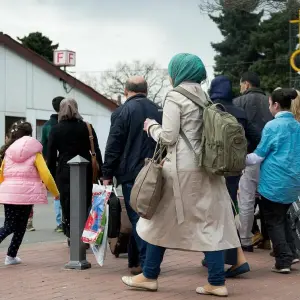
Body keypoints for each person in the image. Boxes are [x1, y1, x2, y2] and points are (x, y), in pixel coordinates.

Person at [121, 54, 240, 297]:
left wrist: (150, 127)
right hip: (209, 167)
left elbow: (169, 137)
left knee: (157, 221)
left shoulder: (175, 95)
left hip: (181, 170)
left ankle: (149, 275)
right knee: (210, 224)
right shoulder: (203, 96)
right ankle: (216, 282)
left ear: (178, 71)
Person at [102, 76, 162, 274]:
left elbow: (114, 143)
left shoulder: (122, 112)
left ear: (126, 91)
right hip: (157, 172)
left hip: (131, 174)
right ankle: (138, 262)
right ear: (146, 90)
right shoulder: (159, 110)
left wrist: (107, 173)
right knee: (153, 218)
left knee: (137, 218)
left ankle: (147, 267)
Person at [206, 75, 261, 277]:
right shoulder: (240, 112)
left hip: (212, 170)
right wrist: (243, 156)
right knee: (227, 210)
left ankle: (226, 257)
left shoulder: (210, 112)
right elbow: (256, 138)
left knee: (214, 215)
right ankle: (219, 256)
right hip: (234, 171)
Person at [246, 88, 300, 273]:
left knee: (273, 221)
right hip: (293, 182)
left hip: (273, 183)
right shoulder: (297, 126)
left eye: (269, 104)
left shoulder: (272, 127)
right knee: (283, 218)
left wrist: (240, 159)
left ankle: (283, 261)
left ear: (276, 105)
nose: (269, 107)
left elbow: (258, 156)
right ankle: (292, 253)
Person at [0, 121, 59, 265]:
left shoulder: (8, 152)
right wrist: (55, 192)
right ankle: (11, 256)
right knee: (16, 226)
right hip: (27, 194)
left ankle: (11, 256)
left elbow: (1, 172)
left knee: (14, 225)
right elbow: (46, 174)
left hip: (9, 193)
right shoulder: (35, 153)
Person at [47, 99, 103, 244]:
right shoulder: (87, 127)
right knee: (85, 202)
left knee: (67, 203)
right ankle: (85, 234)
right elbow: (96, 151)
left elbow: (51, 156)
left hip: (64, 171)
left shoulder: (56, 129)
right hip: (86, 171)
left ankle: (72, 235)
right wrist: (102, 172)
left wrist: (51, 177)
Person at [233, 71, 273, 252]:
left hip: (249, 157)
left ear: (246, 84)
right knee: (269, 199)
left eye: (242, 85)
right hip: (271, 158)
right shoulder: (271, 102)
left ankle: (246, 240)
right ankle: (268, 239)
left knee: (247, 200)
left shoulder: (238, 103)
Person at [41, 96, 65, 233]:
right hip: (67, 163)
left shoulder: (46, 126)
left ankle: (59, 222)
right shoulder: (68, 123)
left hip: (52, 164)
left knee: (57, 194)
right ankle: (65, 220)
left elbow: (44, 147)